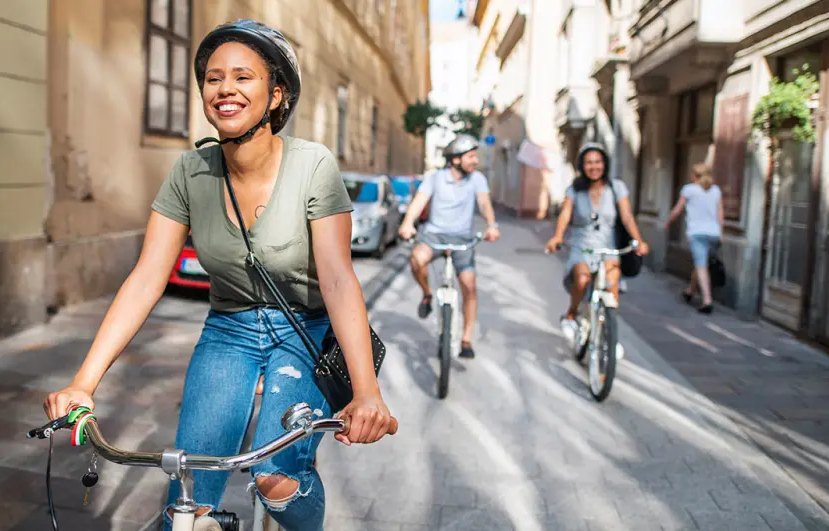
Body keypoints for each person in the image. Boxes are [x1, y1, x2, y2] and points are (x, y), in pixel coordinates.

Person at [43, 20, 395, 530]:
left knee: (278, 479)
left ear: (276, 95)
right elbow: (146, 277)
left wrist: (366, 393)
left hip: (306, 331)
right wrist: (83, 382)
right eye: (213, 78)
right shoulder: (191, 171)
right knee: (187, 496)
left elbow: (339, 279)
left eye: (243, 77)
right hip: (229, 331)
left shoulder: (312, 165)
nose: (225, 89)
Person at [398, 134, 500, 359]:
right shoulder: (435, 178)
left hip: (463, 239)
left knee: (468, 285)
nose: (475, 161)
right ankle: (427, 294)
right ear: (455, 160)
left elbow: (484, 203)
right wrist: (407, 223)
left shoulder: (477, 179)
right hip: (434, 236)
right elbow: (419, 201)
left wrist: (492, 225)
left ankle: (465, 339)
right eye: (471, 157)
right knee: (416, 259)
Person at [544, 142, 649, 356]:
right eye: (589, 162)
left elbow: (627, 216)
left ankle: (609, 335)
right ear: (582, 166)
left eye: (598, 162)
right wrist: (557, 236)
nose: (594, 166)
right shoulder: (575, 189)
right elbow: (565, 215)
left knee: (612, 285)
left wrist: (639, 240)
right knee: (582, 280)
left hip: (608, 247)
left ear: (605, 164)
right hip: (582, 245)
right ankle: (571, 315)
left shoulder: (616, 187)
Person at [664, 163, 723, 314]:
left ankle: (707, 300)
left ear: (694, 175)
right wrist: (721, 232)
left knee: (701, 266)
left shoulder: (689, 190)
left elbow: (677, 210)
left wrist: (668, 222)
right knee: (700, 263)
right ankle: (690, 291)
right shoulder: (715, 190)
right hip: (714, 233)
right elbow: (720, 214)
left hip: (697, 233)